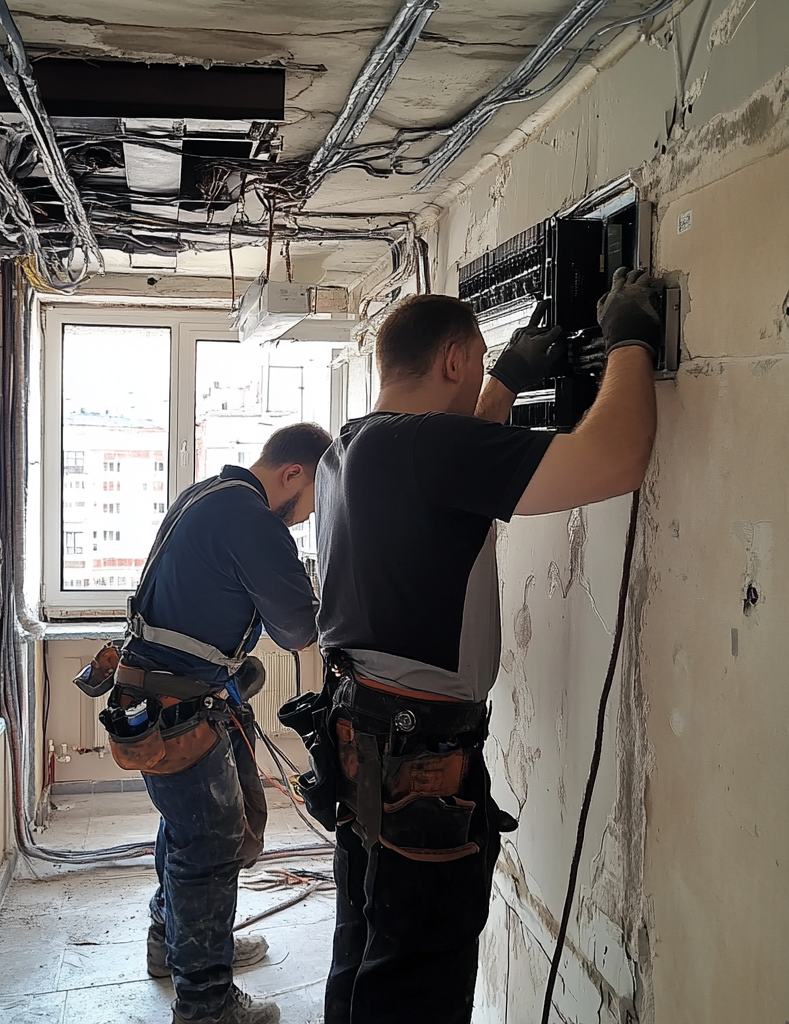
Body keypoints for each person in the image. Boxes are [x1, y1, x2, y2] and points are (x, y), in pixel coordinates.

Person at [314, 269, 663, 1023]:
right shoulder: (428, 449)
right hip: (418, 762)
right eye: (473, 365)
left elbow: (452, 482)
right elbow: (616, 458)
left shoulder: (349, 450)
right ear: (452, 361)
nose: (476, 379)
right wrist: (630, 339)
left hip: (362, 745)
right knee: (417, 985)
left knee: (365, 955)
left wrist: (501, 381)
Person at [119, 421, 331, 1024]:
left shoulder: (207, 493)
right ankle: (206, 1002)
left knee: (186, 834)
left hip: (164, 694)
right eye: (311, 502)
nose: (304, 519)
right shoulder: (252, 520)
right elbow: (298, 630)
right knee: (208, 850)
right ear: (293, 473)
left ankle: (176, 945)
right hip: (179, 706)